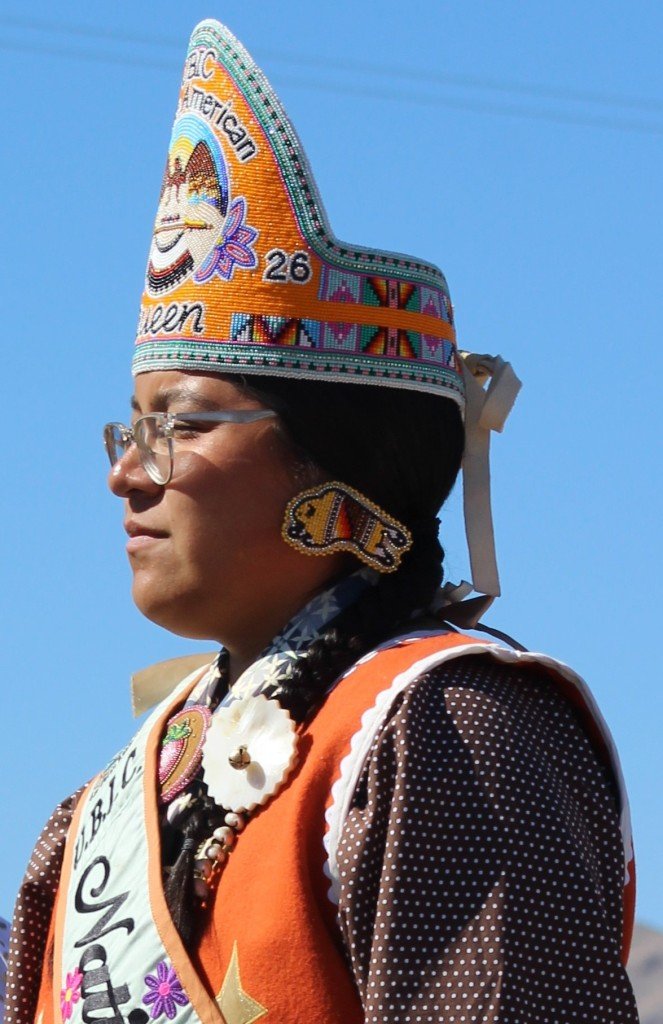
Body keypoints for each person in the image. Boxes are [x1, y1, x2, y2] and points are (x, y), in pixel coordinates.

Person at [6, 18, 639, 1024]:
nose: (128, 474)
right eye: (127, 432)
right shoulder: (95, 824)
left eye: (181, 426)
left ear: (335, 470)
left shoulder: (450, 733)